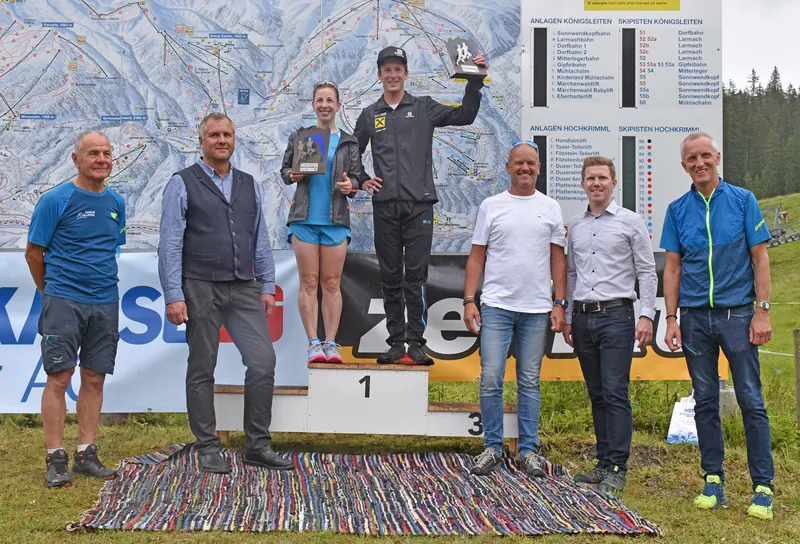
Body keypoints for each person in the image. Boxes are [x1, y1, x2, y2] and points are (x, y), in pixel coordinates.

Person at [158, 113, 293, 474]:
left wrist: (267, 285)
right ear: (201, 141)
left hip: (244, 286)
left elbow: (259, 238)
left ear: (234, 140)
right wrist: (173, 294)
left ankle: (257, 445)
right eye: (214, 135)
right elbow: (170, 243)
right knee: (202, 366)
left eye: (227, 135)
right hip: (200, 285)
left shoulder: (249, 184)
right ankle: (207, 446)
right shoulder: (181, 183)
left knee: (263, 362)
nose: (222, 140)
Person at [661, 131, 774, 520]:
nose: (700, 163)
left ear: (717, 157)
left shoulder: (743, 200)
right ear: (684, 166)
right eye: (692, 159)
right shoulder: (677, 209)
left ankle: (763, 487)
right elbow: (672, 268)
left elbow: (760, 258)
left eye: (705, 156)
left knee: (751, 399)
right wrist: (671, 318)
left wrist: (762, 310)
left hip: (738, 315)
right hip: (694, 318)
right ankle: (713, 480)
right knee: (705, 401)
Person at [355, 45, 488, 365]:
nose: (392, 74)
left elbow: (464, 115)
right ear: (379, 75)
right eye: (387, 69)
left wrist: (475, 81)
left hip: (419, 207)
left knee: (414, 277)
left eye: (397, 69)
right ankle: (395, 343)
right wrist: (362, 180)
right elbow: (351, 153)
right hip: (385, 207)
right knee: (390, 276)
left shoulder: (424, 107)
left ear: (405, 73)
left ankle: (415, 342)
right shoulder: (370, 115)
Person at [25, 131, 126, 488]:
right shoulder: (55, 200)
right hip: (64, 300)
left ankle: (86, 453)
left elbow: (111, 247)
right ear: (76, 159)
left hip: (106, 301)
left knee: (95, 377)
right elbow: (33, 253)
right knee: (60, 376)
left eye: (107, 153)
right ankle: (55, 458)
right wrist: (50, 293)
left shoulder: (116, 201)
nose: (101, 159)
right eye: (93, 153)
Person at [463, 141, 566, 476]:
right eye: (519, 163)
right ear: (508, 167)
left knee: (529, 381)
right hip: (496, 306)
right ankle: (492, 448)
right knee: (491, 378)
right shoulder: (491, 206)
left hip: (537, 308)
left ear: (539, 168)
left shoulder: (551, 207)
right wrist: (469, 300)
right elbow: (476, 256)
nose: (525, 168)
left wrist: (559, 303)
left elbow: (558, 260)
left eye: (531, 163)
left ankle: (528, 451)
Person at [562, 156, 657, 496]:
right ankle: (603, 463)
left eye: (602, 177)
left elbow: (647, 271)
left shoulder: (631, 221)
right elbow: (571, 273)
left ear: (613, 183)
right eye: (591, 178)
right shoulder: (575, 225)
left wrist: (647, 314)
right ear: (583, 184)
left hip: (617, 316)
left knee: (615, 391)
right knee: (597, 392)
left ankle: (618, 467)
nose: (596, 183)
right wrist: (569, 317)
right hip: (583, 317)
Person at [280, 82, 362, 364]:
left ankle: (331, 343)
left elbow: (357, 177)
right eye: (319, 100)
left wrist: (353, 185)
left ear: (338, 105)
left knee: (331, 282)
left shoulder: (349, 142)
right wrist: (292, 175)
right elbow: (285, 171)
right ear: (313, 104)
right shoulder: (301, 137)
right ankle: (313, 343)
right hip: (304, 220)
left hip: (336, 221)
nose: (324, 105)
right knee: (309, 281)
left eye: (329, 100)